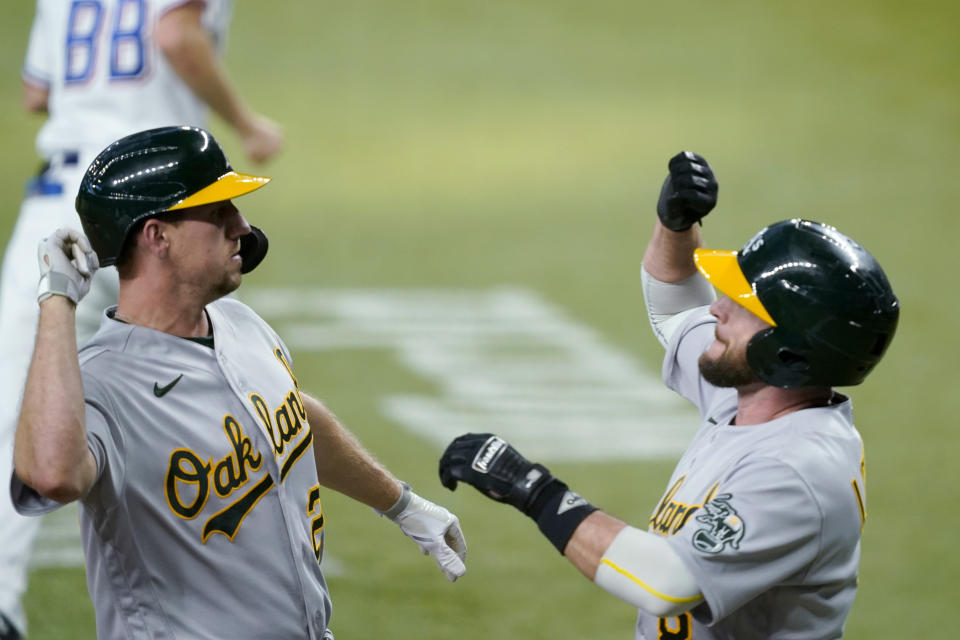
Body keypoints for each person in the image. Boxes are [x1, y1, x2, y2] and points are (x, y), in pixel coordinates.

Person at [9, 126, 467, 640]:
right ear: (157, 236)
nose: (243, 227)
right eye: (219, 213)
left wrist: (401, 504)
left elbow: (291, 418)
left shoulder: (240, 324)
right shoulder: (104, 385)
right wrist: (56, 301)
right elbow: (50, 474)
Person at [438, 151, 900, 639]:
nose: (718, 307)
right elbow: (677, 300)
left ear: (789, 352)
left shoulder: (797, 469)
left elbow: (668, 583)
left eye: (743, 304)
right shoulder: (752, 396)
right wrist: (676, 227)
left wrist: (532, 488)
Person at [0, 2, 284, 635]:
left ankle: (1, 603)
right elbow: (175, 32)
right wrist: (246, 122)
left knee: (20, 408)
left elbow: (35, 91)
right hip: (170, 203)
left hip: (61, 202)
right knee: (219, 381)